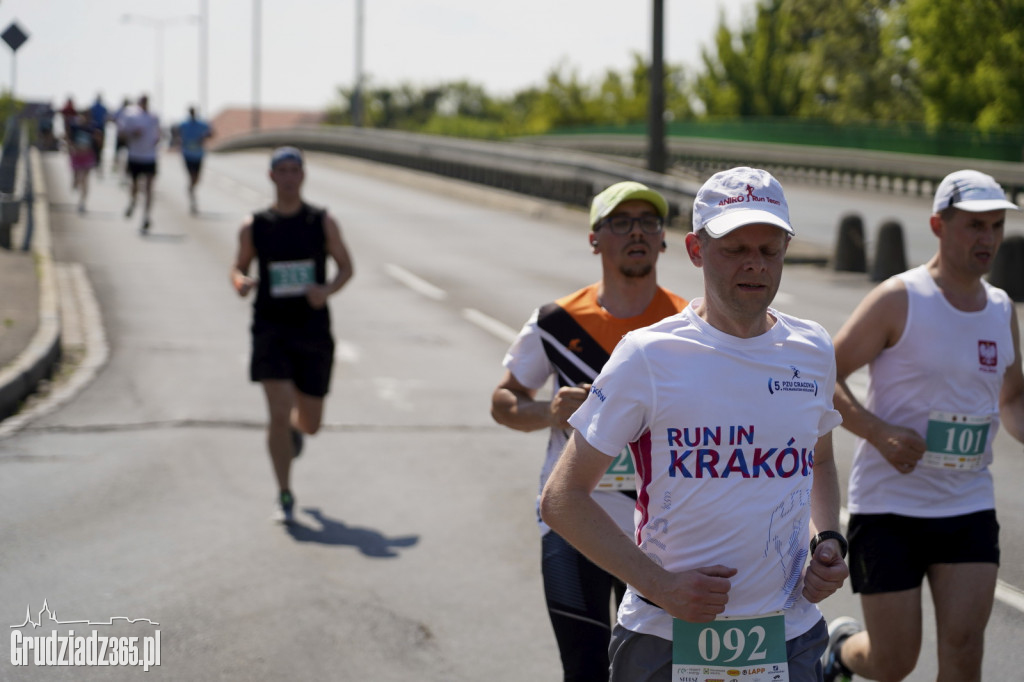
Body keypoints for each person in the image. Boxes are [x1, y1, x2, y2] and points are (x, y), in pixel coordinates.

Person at [540, 166, 850, 681]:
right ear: (695, 250)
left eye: (769, 250)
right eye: (734, 248)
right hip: (666, 639)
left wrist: (830, 541)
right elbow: (562, 499)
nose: (755, 265)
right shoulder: (648, 355)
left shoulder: (812, 348)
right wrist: (660, 586)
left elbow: (818, 461)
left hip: (788, 636)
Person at [822, 170, 1024, 682]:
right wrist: (877, 432)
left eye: (996, 226)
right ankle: (841, 653)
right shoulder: (900, 298)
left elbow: (1013, 398)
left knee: (963, 647)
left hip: (968, 502)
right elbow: (824, 376)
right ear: (938, 224)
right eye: (975, 225)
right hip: (891, 507)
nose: (988, 239)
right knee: (894, 661)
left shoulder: (1001, 309)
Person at [491, 181, 688, 681]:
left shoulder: (689, 324)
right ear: (595, 239)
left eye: (648, 222)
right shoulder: (556, 322)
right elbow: (503, 401)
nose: (637, 232)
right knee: (584, 669)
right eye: (621, 223)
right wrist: (548, 413)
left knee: (659, 672)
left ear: (664, 240)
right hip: (575, 523)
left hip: (664, 531)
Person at [230, 147, 354, 524]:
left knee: (310, 423)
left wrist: (326, 291)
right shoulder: (255, 225)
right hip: (270, 328)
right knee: (278, 411)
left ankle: (295, 434)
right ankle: (284, 493)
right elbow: (237, 267)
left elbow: (346, 268)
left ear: (303, 176)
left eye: (294, 170)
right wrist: (241, 282)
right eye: (281, 171)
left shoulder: (322, 221)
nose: (288, 177)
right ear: (270, 176)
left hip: (312, 330)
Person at [117, 95, 161, 232]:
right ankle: (133, 202)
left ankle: (146, 217)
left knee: (149, 188)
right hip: (135, 156)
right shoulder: (130, 116)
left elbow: (158, 134)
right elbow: (121, 134)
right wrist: (132, 134)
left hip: (150, 156)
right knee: (134, 186)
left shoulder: (154, 117)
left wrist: (156, 140)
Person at [175, 106, 213, 214]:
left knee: (197, 179)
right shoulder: (184, 124)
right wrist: (178, 142)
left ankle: (191, 189)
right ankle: (193, 201)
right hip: (187, 155)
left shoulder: (202, 124)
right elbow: (176, 133)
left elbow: (211, 132)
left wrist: (204, 137)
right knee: (191, 177)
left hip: (199, 155)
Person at [66, 112, 99, 213]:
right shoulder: (74, 126)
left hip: (87, 156)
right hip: (76, 155)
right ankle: (75, 184)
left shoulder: (92, 128)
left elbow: (98, 141)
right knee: (77, 178)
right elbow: (68, 138)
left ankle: (82, 202)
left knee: (85, 180)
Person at [87, 95, 109, 176]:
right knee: (99, 147)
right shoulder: (102, 108)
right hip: (99, 129)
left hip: (94, 129)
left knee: (95, 147)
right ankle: (96, 162)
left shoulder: (94, 107)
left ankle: (95, 162)